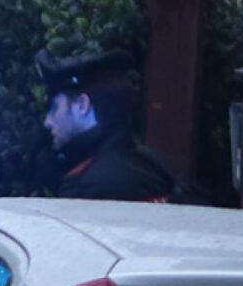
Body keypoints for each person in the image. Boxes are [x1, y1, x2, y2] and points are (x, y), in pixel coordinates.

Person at [35, 46, 181, 202]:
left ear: (82, 105)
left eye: (55, 108)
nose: (48, 121)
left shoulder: (85, 186)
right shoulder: (155, 164)